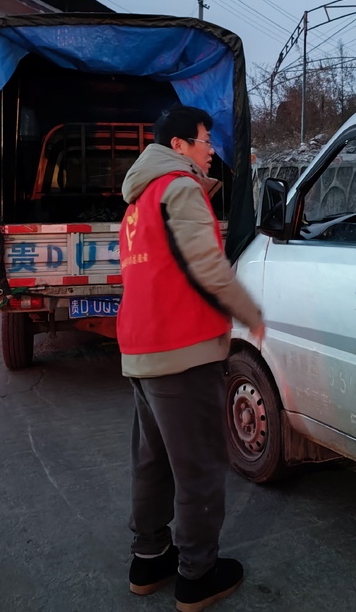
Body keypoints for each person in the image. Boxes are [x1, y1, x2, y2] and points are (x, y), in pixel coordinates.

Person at [117, 105, 264, 612]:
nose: (211, 149)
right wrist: (251, 313)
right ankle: (197, 575)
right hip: (182, 351)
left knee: (152, 461)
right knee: (199, 467)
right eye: (204, 139)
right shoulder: (180, 188)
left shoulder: (138, 199)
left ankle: (149, 557)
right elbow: (208, 265)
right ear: (178, 146)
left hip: (142, 349)